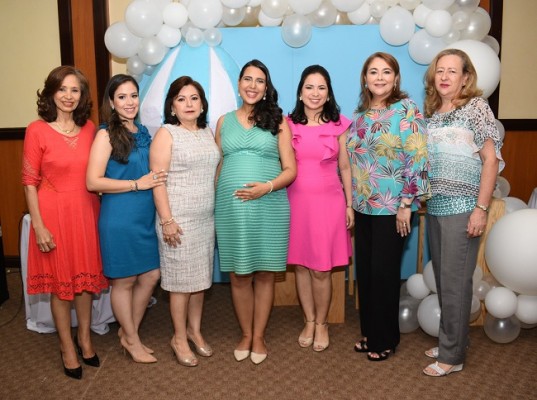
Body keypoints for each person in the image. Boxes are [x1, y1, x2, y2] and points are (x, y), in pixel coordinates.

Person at [22, 66, 108, 379]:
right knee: (62, 287)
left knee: (84, 284)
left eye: (75, 90)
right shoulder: (37, 130)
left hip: (86, 213)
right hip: (52, 215)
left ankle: (85, 339)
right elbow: (29, 181)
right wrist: (39, 225)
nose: (68, 96)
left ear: (82, 95)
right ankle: (66, 346)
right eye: (62, 89)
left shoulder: (91, 130)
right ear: (51, 93)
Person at [422, 49, 504, 377]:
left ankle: (452, 356)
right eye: (439, 71)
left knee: (455, 282)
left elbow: (491, 160)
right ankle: (451, 341)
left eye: (452, 72)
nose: (444, 77)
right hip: (436, 206)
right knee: (445, 281)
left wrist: (481, 209)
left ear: (466, 77)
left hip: (464, 207)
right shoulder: (434, 112)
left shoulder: (476, 108)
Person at [347, 52, 430, 362]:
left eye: (386, 72)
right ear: (364, 79)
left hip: (393, 209)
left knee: (384, 274)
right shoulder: (360, 116)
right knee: (367, 274)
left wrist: (407, 203)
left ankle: (385, 340)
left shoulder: (406, 110)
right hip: (363, 207)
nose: (379, 77)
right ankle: (371, 333)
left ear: (396, 78)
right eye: (373, 72)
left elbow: (418, 157)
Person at [214, 59, 297, 365]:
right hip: (231, 208)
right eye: (247, 79)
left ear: (266, 87)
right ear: (238, 85)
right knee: (238, 275)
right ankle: (245, 334)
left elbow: (291, 169)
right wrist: (213, 201)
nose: (252, 85)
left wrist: (267, 187)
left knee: (264, 274)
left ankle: (259, 336)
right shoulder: (223, 121)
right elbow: (219, 165)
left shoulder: (278, 121)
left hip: (270, 205)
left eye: (259, 80)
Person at [86, 74, 166, 364]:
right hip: (119, 217)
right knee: (124, 281)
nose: (130, 102)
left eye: (133, 95)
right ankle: (132, 339)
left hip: (145, 216)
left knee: (151, 275)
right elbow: (93, 182)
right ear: (111, 102)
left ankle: (128, 333)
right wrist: (136, 184)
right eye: (122, 97)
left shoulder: (143, 131)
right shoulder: (106, 134)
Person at [150, 76, 220, 367]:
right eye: (181, 99)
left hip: (205, 219)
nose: (188, 104)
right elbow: (158, 181)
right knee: (179, 284)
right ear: (172, 106)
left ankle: (195, 331)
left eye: (194, 98)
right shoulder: (167, 134)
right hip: (176, 220)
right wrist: (167, 220)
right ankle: (178, 337)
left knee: (199, 281)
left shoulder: (207, 132)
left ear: (202, 104)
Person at [286, 65, 354, 352]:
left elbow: (346, 166)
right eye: (310, 87)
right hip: (296, 202)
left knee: (322, 269)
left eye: (321, 87)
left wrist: (350, 204)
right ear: (301, 92)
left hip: (329, 202)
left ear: (328, 93)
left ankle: (323, 323)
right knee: (301, 265)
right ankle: (309, 320)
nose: (315, 93)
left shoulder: (339, 124)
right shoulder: (287, 123)